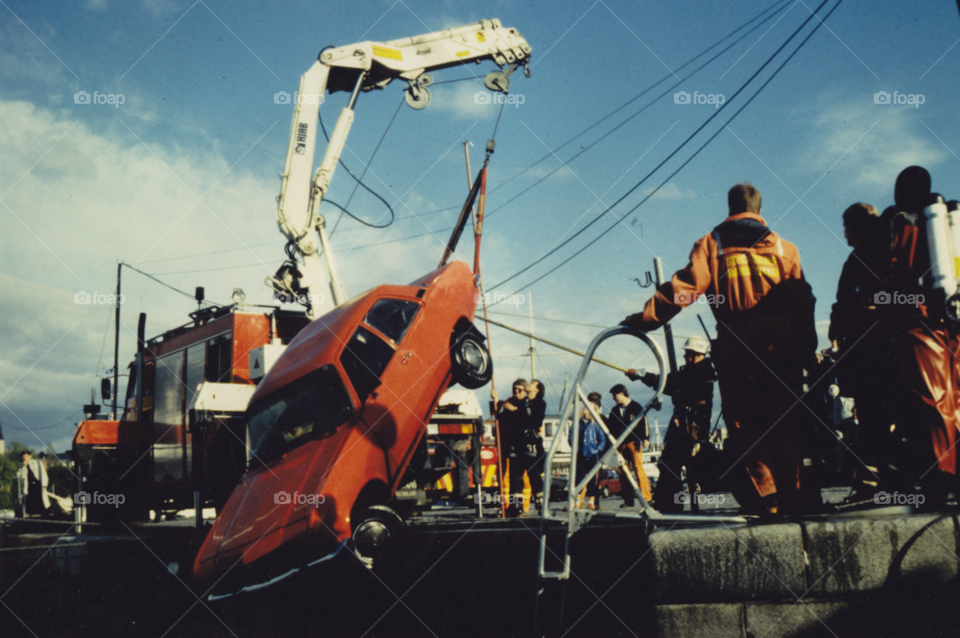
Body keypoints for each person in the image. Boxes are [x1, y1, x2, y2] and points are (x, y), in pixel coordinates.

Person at [622, 182, 817, 515]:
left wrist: (645, 318)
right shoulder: (786, 250)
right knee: (785, 418)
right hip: (781, 340)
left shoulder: (712, 244)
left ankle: (767, 497)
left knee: (743, 420)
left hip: (736, 340)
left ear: (729, 208)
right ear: (759, 208)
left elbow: (686, 288)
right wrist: (807, 349)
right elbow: (803, 301)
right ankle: (795, 496)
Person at [878, 166, 960, 504]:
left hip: (919, 321)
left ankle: (942, 477)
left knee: (932, 399)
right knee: (952, 397)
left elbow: (895, 271)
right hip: (950, 318)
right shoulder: (941, 223)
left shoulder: (901, 222)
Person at [634, 336, 717, 513]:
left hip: (691, 423)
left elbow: (668, 383)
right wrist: (644, 377)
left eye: (688, 355)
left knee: (672, 464)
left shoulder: (700, 373)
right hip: (686, 420)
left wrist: (643, 376)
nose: (685, 358)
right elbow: (668, 382)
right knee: (671, 463)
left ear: (697, 356)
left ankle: (670, 505)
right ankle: (669, 504)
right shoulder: (695, 372)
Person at [606, 384, 652, 507]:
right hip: (620, 445)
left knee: (638, 469)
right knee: (623, 472)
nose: (613, 398)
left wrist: (645, 438)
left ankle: (647, 498)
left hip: (633, 443)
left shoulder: (636, 407)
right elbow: (611, 429)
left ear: (621, 393)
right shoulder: (614, 411)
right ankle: (628, 500)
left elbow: (644, 422)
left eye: (614, 395)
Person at [495, 378, 531, 516]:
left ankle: (525, 506)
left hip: (525, 445)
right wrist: (497, 401)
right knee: (510, 477)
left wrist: (515, 409)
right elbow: (499, 415)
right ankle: (511, 506)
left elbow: (529, 417)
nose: (516, 392)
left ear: (525, 390)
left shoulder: (528, 404)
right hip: (510, 445)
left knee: (525, 478)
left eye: (520, 390)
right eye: (514, 389)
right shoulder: (508, 402)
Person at [569, 392, 607, 510]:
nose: (584, 409)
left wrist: (597, 449)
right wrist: (574, 447)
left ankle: (591, 500)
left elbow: (602, 438)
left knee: (592, 479)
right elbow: (571, 435)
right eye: (584, 407)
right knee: (578, 477)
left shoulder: (596, 424)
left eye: (587, 407)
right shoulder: (578, 423)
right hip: (580, 454)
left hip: (592, 454)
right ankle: (577, 499)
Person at [522, 380, 547, 510]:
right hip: (521, 439)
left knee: (533, 469)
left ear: (537, 390)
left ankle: (541, 497)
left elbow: (536, 420)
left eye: (532, 383)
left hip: (532, 439)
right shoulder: (523, 402)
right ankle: (521, 503)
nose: (529, 384)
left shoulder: (539, 403)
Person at [16, 450, 50, 517]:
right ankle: (32, 514)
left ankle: (44, 514)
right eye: (23, 456)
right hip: (29, 486)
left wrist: (44, 485)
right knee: (30, 501)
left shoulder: (37, 463)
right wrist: (24, 467)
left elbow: (43, 474)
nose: (25, 458)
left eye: (26, 456)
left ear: (30, 456)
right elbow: (19, 477)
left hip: (37, 484)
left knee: (41, 500)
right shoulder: (22, 467)